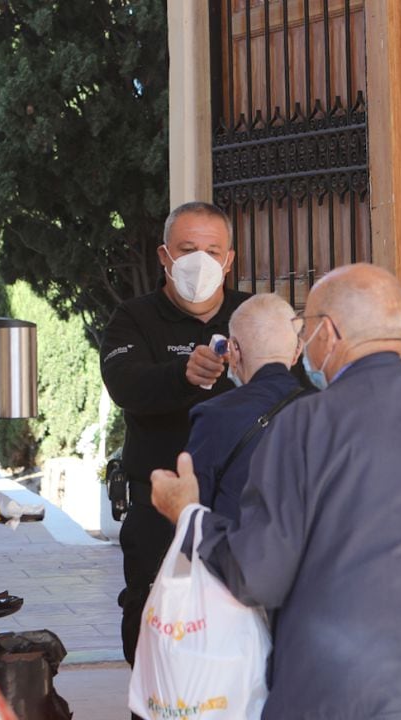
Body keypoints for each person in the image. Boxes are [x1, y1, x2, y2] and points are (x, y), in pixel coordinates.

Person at [151, 263, 401, 720]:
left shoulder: (306, 426)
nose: (305, 344)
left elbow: (259, 573)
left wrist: (190, 516)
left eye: (306, 329)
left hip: (334, 694)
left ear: (328, 331)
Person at [98, 200, 250, 673]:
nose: (200, 261)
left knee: (240, 647)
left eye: (212, 250)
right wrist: (182, 375)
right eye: (188, 249)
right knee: (155, 646)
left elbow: (294, 393)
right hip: (158, 518)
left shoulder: (253, 315)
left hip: (242, 518)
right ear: (164, 257)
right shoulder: (134, 319)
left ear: (228, 260)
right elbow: (126, 384)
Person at [185, 293, 308, 523]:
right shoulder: (328, 410)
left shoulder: (214, 416)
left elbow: (193, 511)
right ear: (297, 351)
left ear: (234, 351)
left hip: (237, 553)